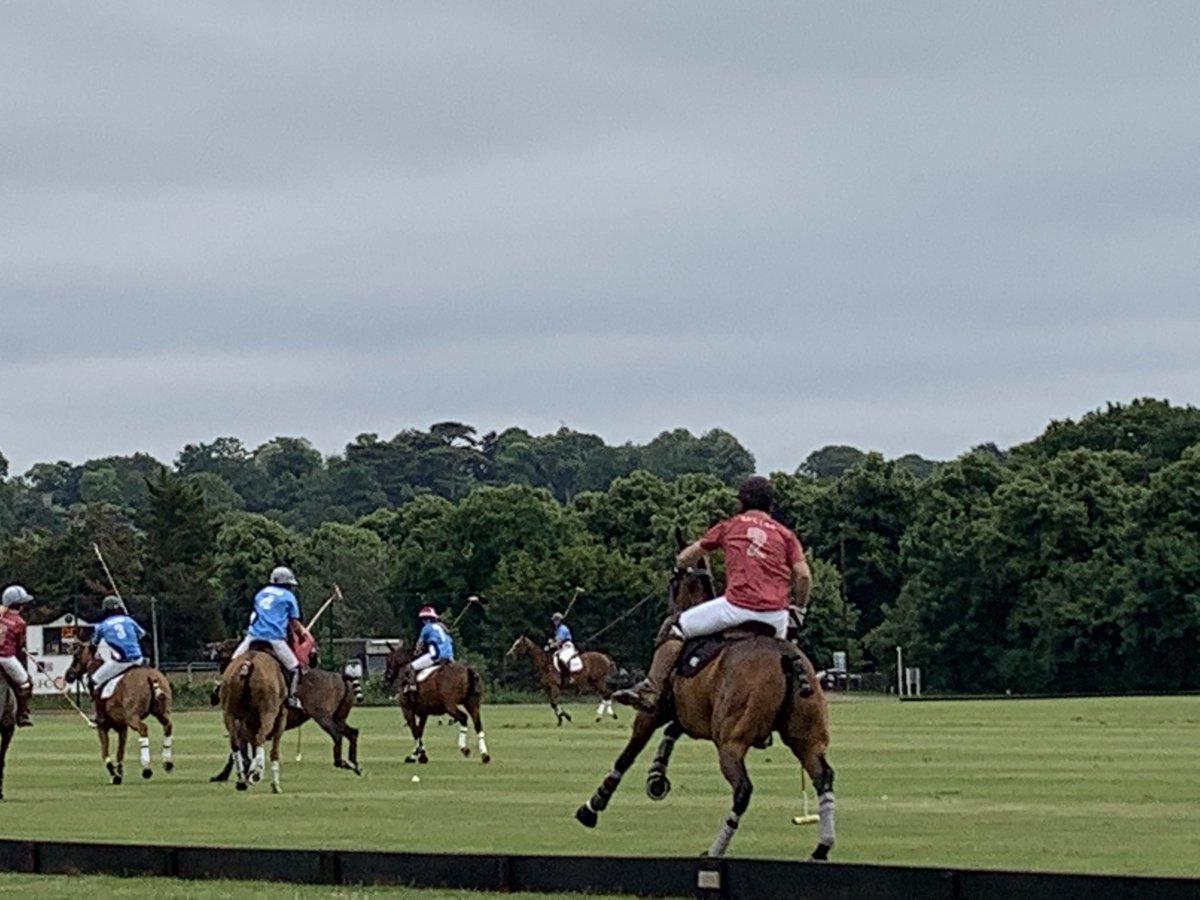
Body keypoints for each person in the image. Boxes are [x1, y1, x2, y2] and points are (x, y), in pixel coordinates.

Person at [612, 475, 812, 714]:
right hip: (775, 617)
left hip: (736, 608)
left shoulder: (729, 526)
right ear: (771, 505)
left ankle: (650, 690)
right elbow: (803, 576)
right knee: (789, 661)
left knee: (675, 627)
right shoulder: (786, 535)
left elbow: (686, 557)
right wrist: (798, 611)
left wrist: (680, 564)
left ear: (741, 503)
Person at [231, 566, 304, 709]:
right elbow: (294, 623)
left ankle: (221, 686)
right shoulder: (288, 597)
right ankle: (292, 697)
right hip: (274, 638)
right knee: (295, 668)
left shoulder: (260, 594)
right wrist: (302, 635)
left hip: (253, 636)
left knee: (233, 661)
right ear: (286, 584)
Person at [89, 595, 147, 714]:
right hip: (138, 659)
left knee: (94, 681)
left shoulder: (102, 626)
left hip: (121, 662)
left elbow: (93, 643)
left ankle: (99, 714)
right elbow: (142, 634)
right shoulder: (129, 620)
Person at [397, 606, 454, 694]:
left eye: (423, 619)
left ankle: (412, 686)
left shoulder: (426, 628)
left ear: (426, 619)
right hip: (449, 656)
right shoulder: (442, 629)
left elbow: (419, 644)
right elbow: (450, 641)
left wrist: (417, 651)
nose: (423, 621)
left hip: (436, 656)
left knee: (410, 667)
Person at [0, 585, 35, 727]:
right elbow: (20, 645)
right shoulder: (20, 622)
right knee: (27, 683)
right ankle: (22, 714)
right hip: (6, 657)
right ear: (19, 605)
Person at [547, 611, 579, 684]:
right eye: (554, 620)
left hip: (567, 646)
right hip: (562, 647)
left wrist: (551, 645)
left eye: (556, 620)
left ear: (559, 620)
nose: (554, 622)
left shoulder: (563, 629)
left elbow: (559, 642)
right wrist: (551, 641)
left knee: (561, 658)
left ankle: (569, 676)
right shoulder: (557, 630)